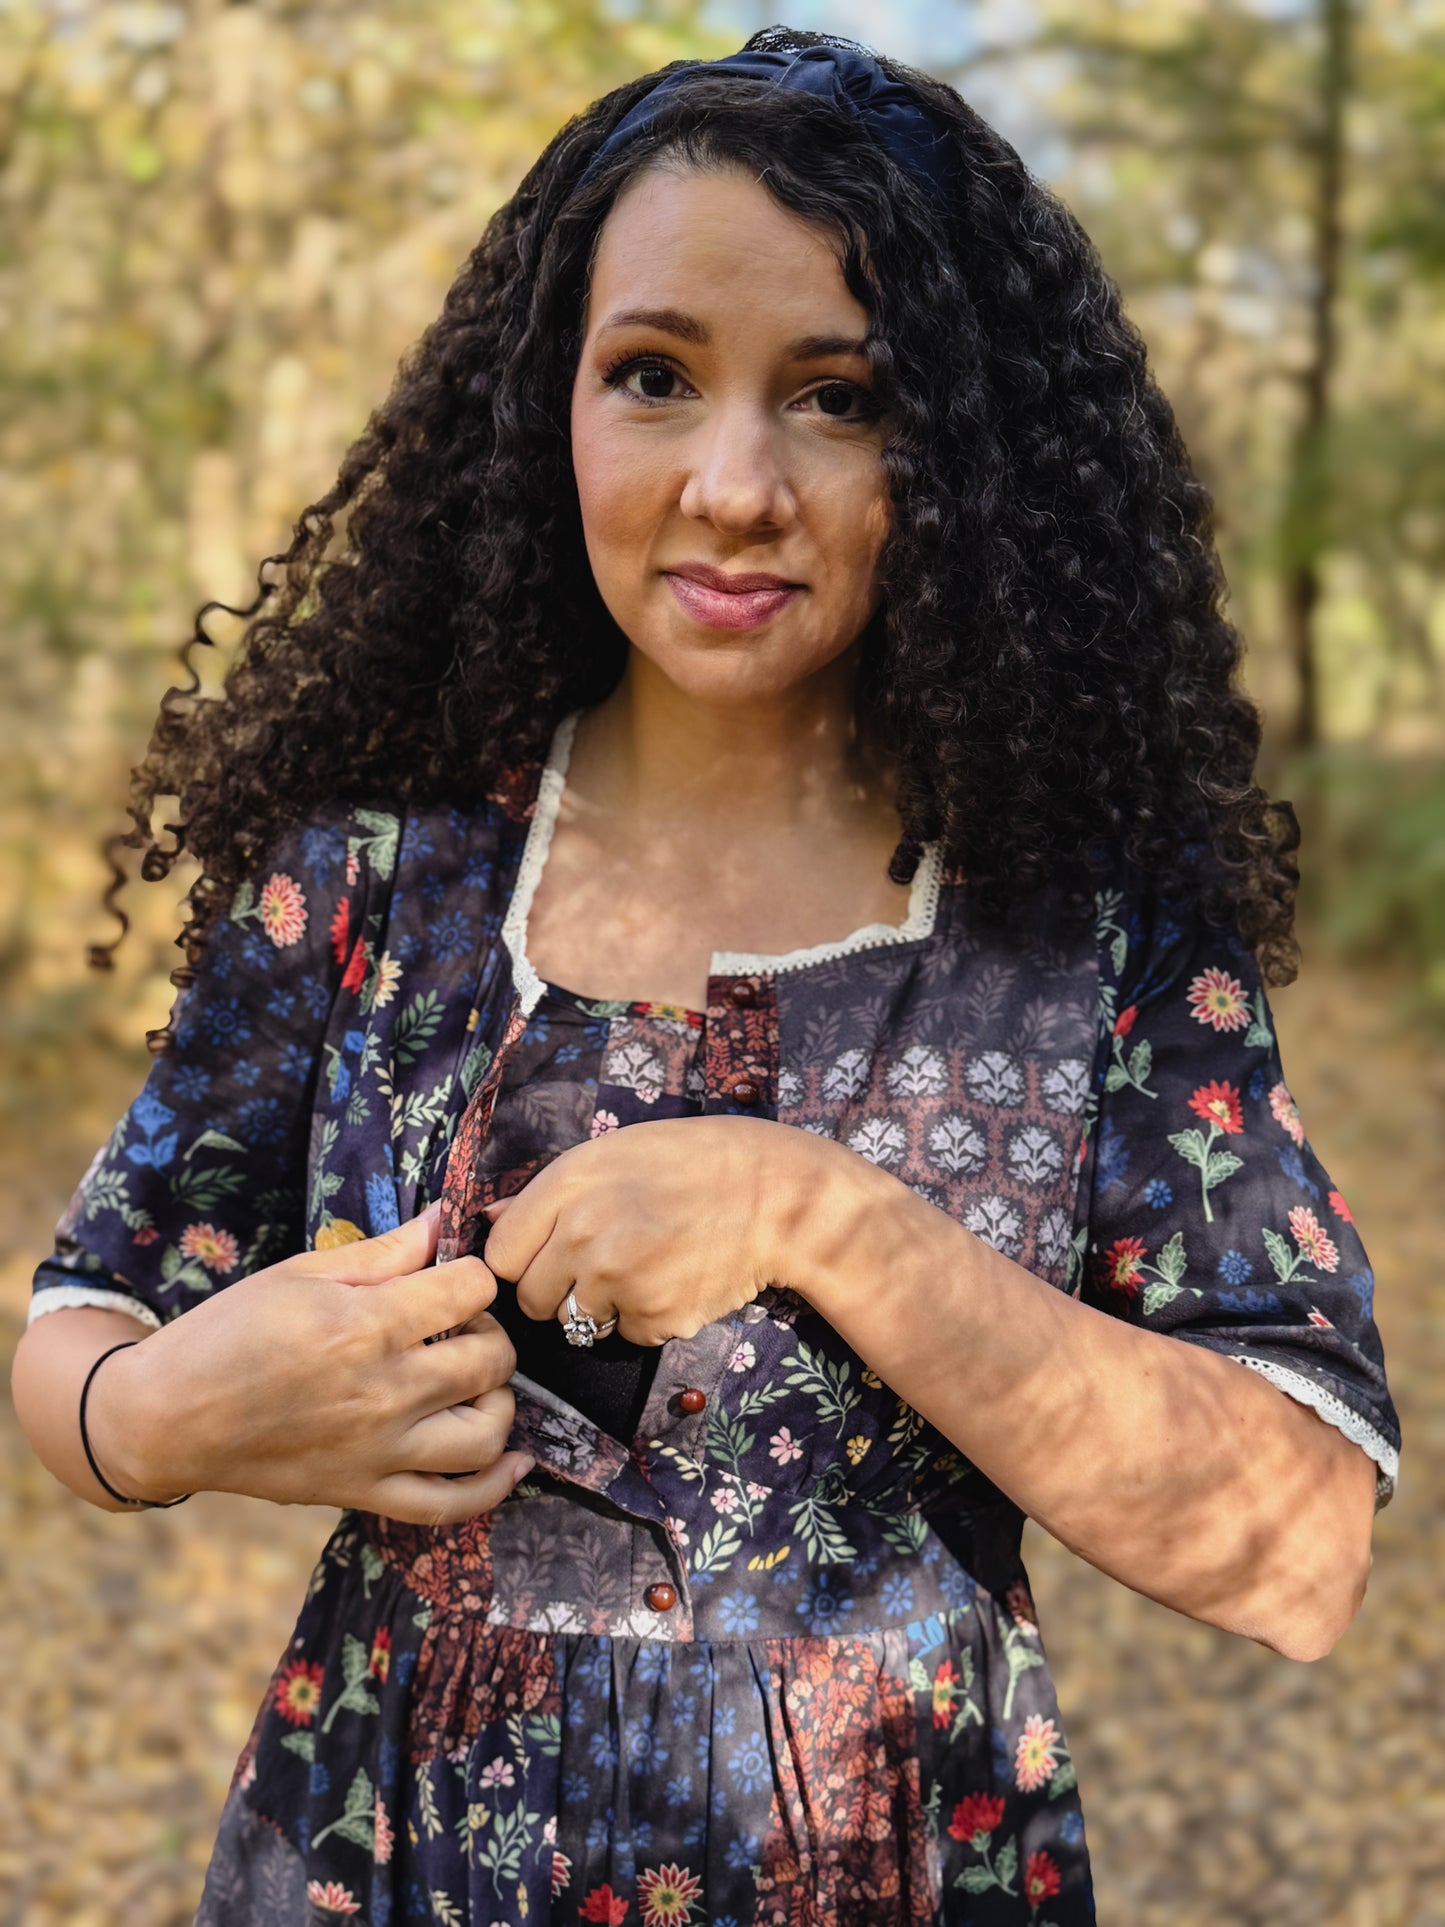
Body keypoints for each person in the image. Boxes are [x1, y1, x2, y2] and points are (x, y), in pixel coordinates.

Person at [11, 25, 1398, 1927]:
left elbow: (1296, 1552)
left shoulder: (1091, 927)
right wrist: (161, 1421)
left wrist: (820, 1214)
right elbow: (82, 1318)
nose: (733, 484)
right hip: (379, 1861)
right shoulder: (374, 875)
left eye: (837, 397)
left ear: (956, 455)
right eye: (652, 375)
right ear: (549, 409)